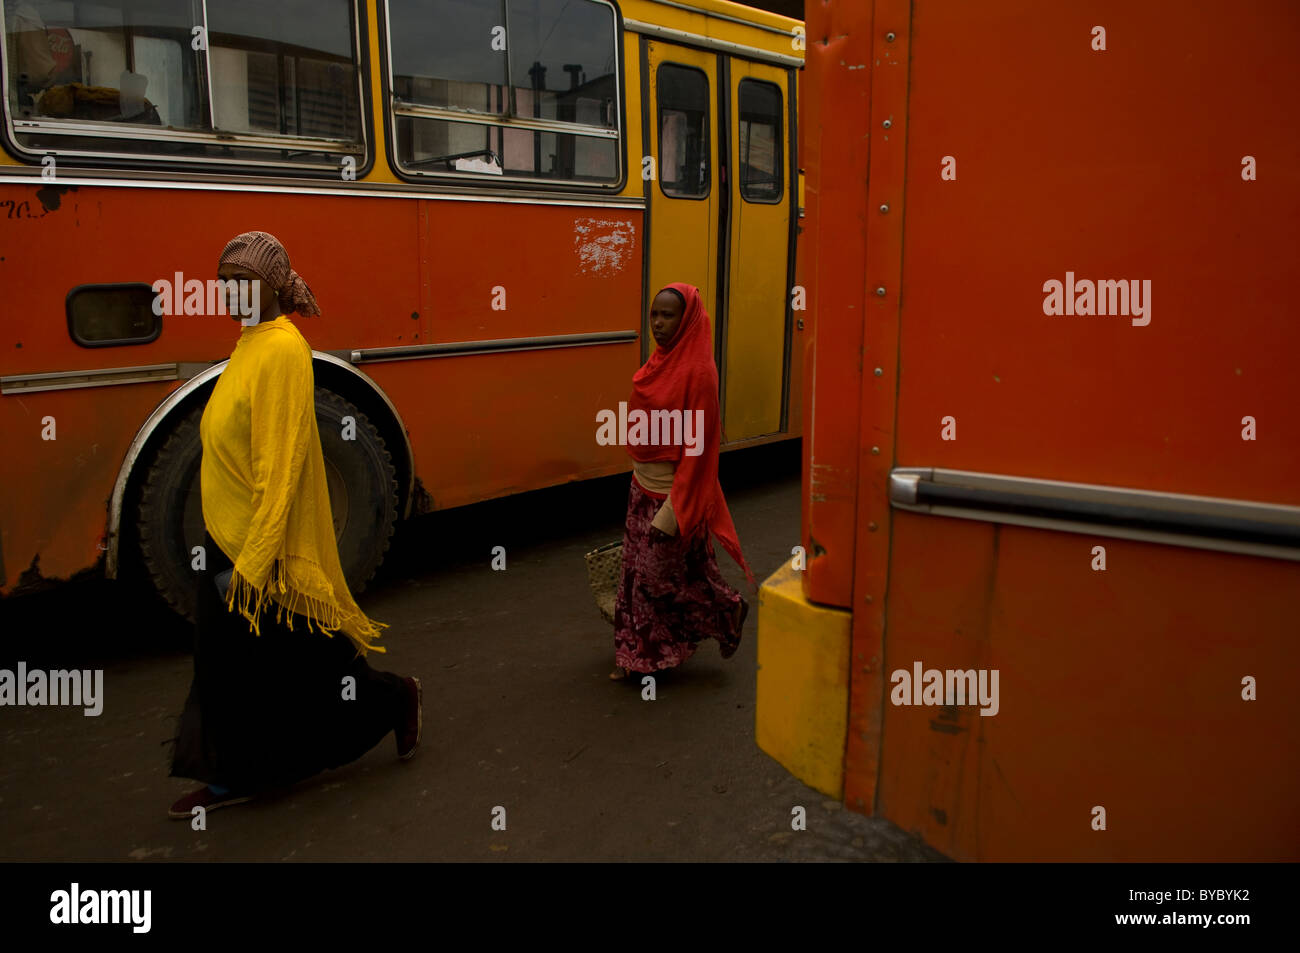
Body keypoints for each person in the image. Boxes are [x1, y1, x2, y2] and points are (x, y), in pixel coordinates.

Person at [167, 231, 421, 818]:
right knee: (270, 669)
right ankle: (243, 772)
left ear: (274, 285)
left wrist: (252, 565)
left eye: (243, 282)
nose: (231, 294)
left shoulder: (282, 350)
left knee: (296, 672)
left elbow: (279, 468)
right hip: (228, 538)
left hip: (258, 548)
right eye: (225, 283)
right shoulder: (249, 343)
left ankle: (390, 699)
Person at [610, 283, 755, 680]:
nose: (657, 323)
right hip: (642, 491)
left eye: (668, 315)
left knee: (651, 581)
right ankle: (635, 658)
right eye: (654, 314)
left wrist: (673, 512)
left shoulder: (699, 373)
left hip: (675, 497)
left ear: (687, 319)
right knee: (639, 576)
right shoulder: (661, 361)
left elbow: (698, 453)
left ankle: (725, 610)